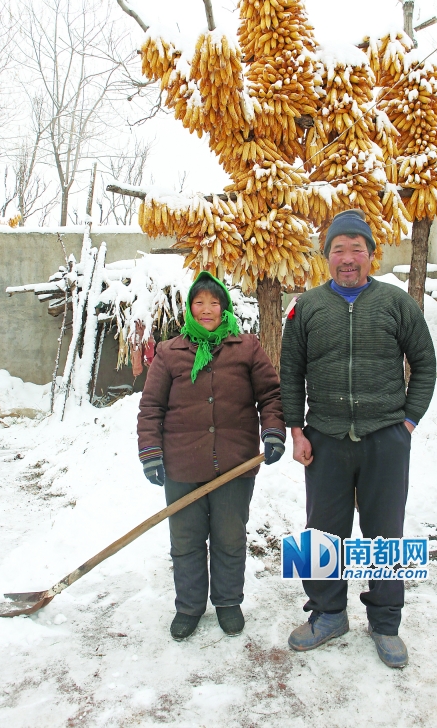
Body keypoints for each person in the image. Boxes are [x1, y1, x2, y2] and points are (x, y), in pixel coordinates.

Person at [280, 209, 436, 668]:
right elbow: (291, 372)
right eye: (338, 249)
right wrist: (296, 429)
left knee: (384, 532)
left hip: (385, 437)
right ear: (325, 255)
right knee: (320, 533)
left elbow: (425, 364)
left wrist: (406, 423)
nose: (348, 258)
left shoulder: (395, 302)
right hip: (324, 437)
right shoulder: (307, 307)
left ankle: (386, 623)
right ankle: (327, 614)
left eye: (357, 249)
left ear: (371, 254)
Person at [137, 271, 286, 641]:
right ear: (189, 309)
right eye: (199, 302)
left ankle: (228, 602)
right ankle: (188, 606)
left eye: (214, 302)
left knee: (230, 537)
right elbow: (151, 407)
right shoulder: (171, 352)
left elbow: (270, 394)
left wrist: (272, 431)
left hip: (235, 465)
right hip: (182, 466)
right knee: (186, 541)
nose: (206, 310)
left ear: (225, 308)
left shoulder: (246, 347)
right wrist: (151, 452)